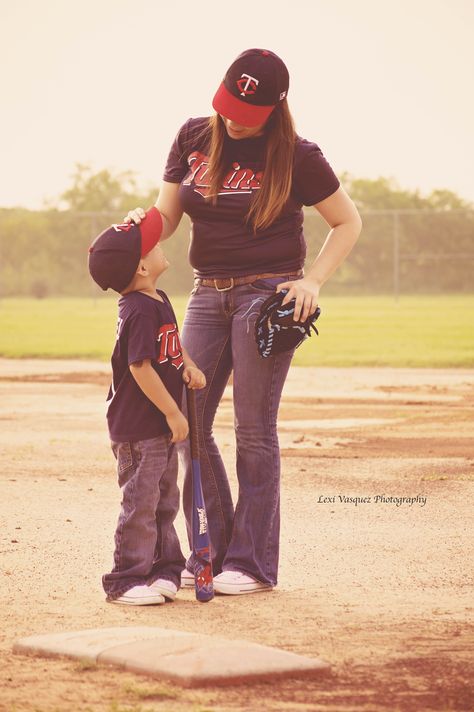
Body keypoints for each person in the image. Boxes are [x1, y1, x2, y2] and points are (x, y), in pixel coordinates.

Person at [125, 48, 362, 595]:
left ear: (276, 107)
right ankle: (212, 549)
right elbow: (167, 215)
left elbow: (347, 222)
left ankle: (252, 563)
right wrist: (140, 226)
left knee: (254, 431)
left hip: (267, 294)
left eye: (247, 110)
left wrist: (313, 281)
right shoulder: (192, 136)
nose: (233, 117)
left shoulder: (299, 155)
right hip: (207, 294)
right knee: (187, 422)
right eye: (229, 103)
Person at [88, 207, 206, 605]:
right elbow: (140, 367)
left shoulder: (157, 298)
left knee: (164, 500)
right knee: (141, 503)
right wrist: (174, 411)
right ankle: (125, 580)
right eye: (152, 245)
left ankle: (164, 569)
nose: (160, 245)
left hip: (157, 427)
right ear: (141, 267)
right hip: (139, 430)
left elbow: (169, 346)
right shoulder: (137, 310)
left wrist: (187, 364)